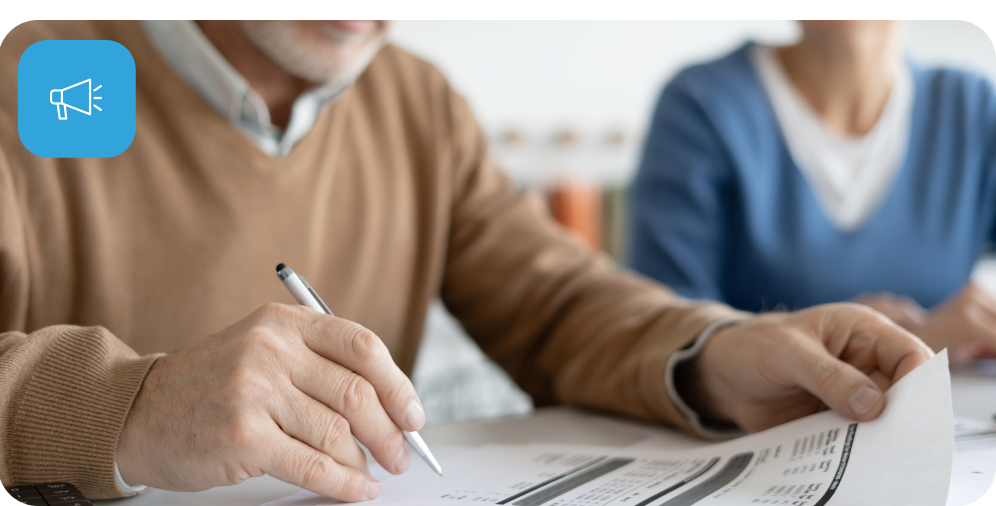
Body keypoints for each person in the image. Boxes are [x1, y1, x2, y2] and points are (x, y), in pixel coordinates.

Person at [0, 20, 930, 502]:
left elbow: (554, 298)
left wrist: (715, 351)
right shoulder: (28, 66)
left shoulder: (417, 102)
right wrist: (131, 406)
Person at [629, 20, 996, 366]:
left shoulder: (973, 109)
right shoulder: (701, 106)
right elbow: (665, 339)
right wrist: (889, 346)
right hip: (762, 428)